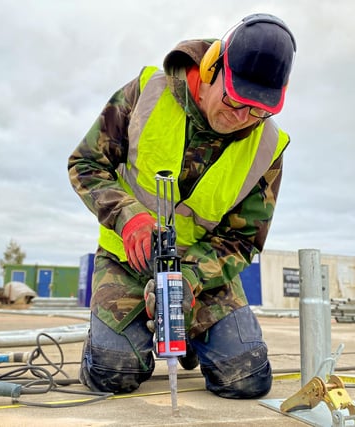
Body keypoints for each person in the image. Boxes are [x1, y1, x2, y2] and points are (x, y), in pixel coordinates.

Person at [68, 13, 296, 399]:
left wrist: (190, 278)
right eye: (235, 100)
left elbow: (242, 240)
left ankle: (193, 338)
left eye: (258, 110)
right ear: (210, 70)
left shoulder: (267, 147)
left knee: (246, 378)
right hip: (128, 259)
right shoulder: (146, 93)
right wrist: (128, 217)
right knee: (112, 372)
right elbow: (86, 164)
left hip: (200, 274)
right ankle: (114, 343)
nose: (241, 118)